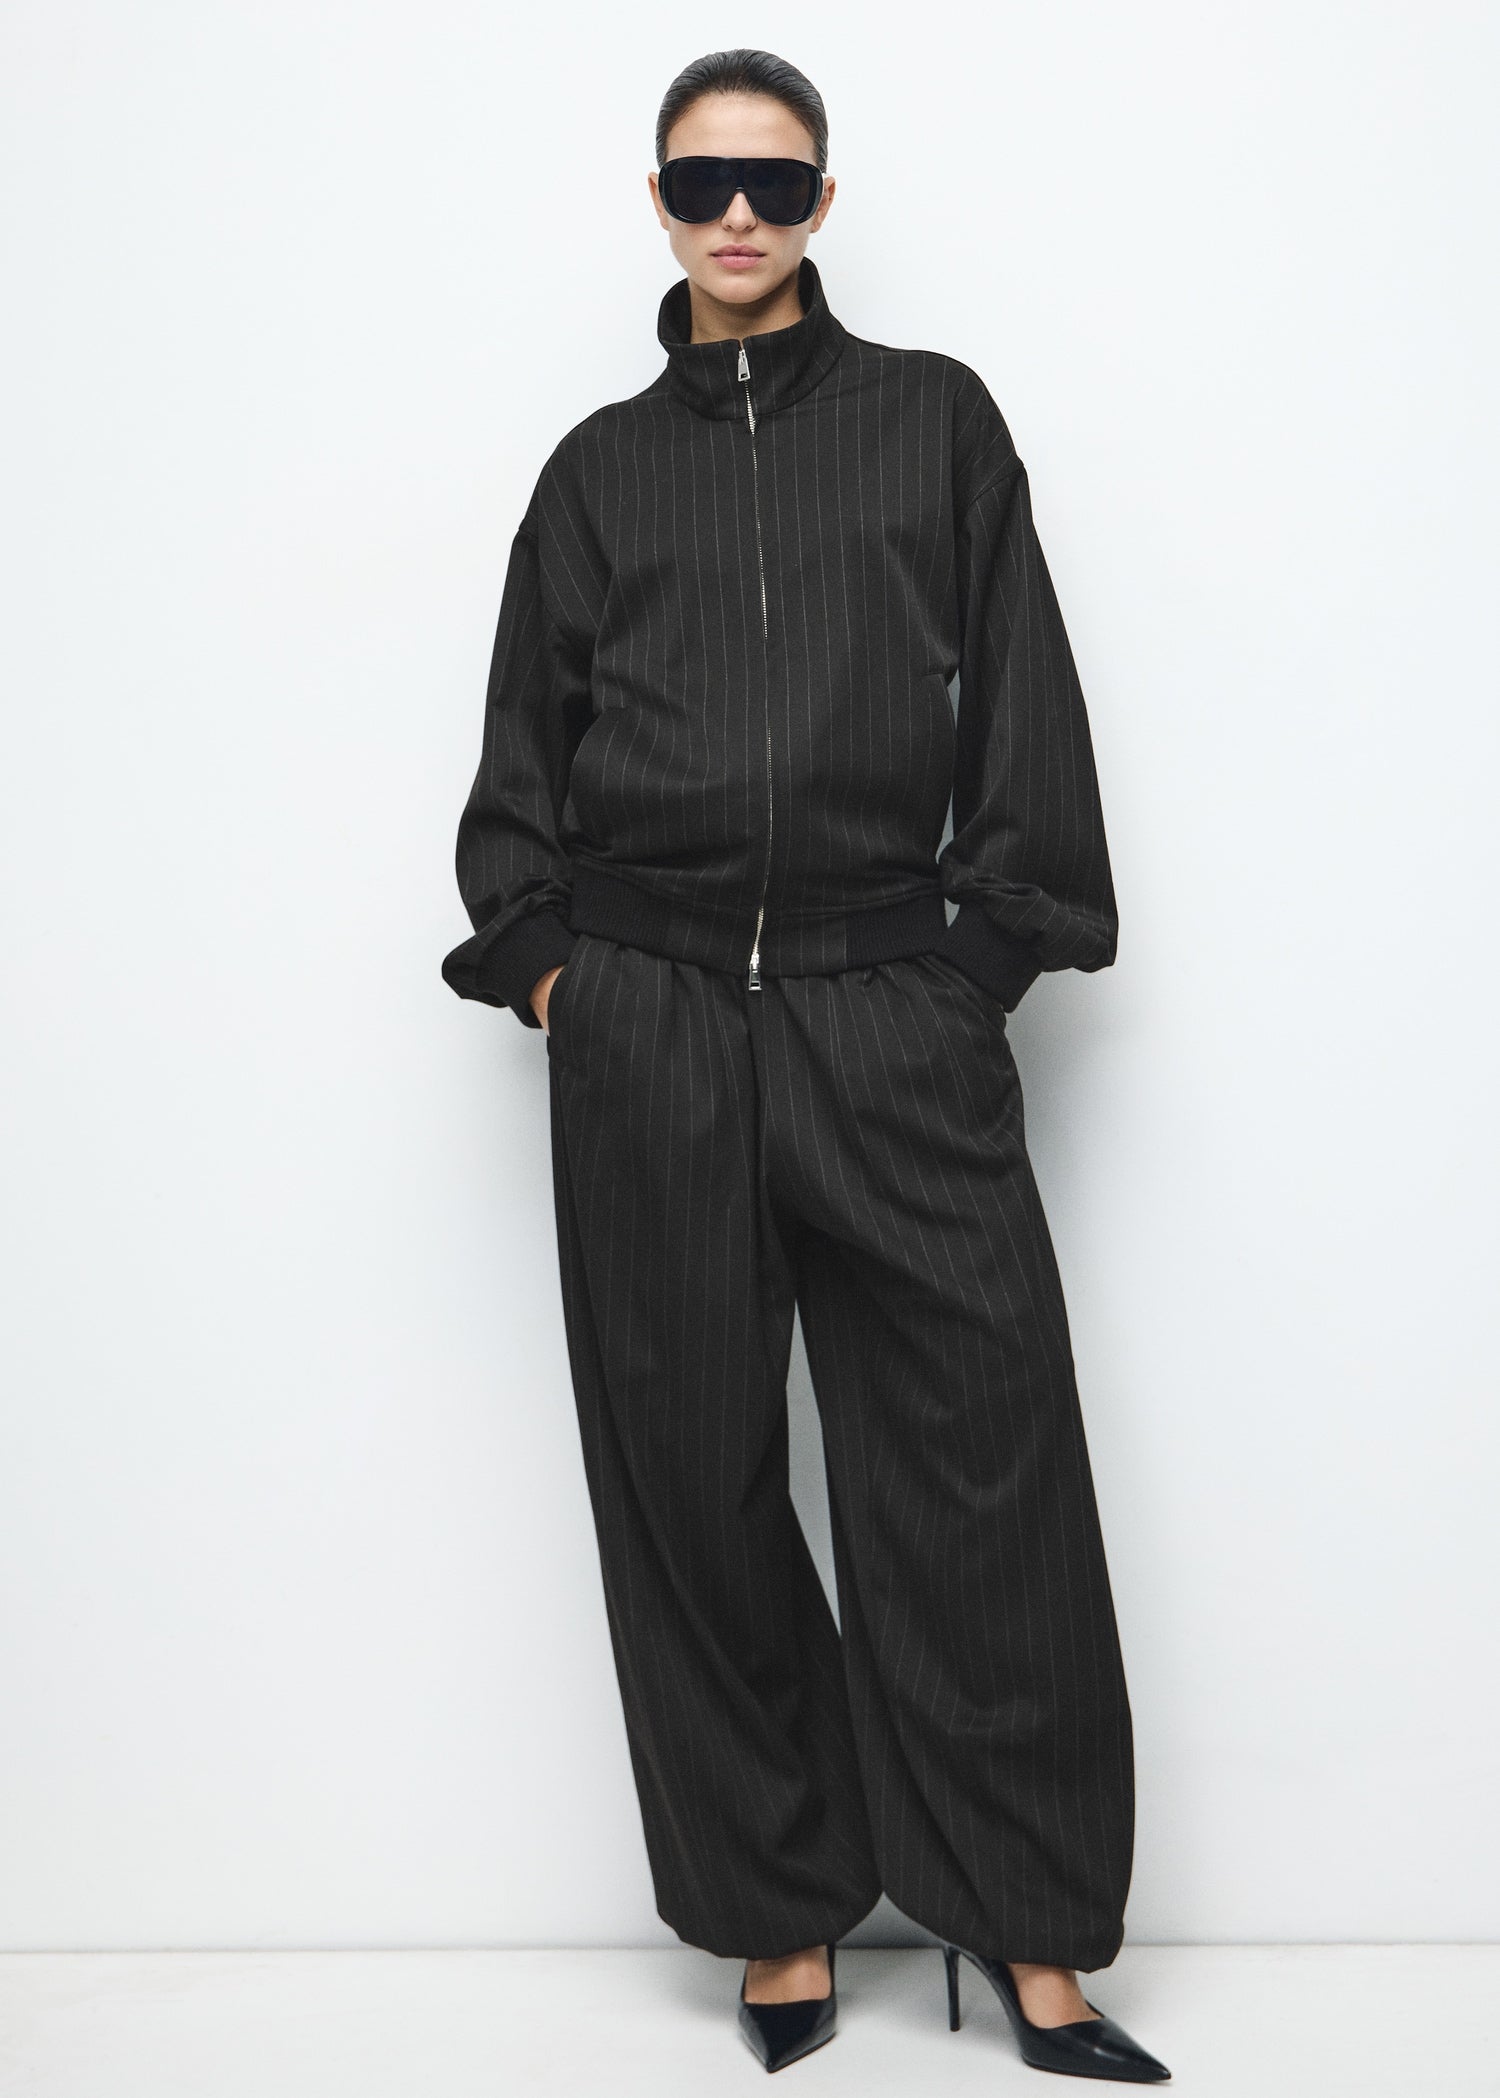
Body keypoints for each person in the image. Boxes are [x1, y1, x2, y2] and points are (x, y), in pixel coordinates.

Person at [442, 46, 1171, 2084]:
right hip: (655, 1021)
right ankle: (779, 1907)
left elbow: (1022, 702)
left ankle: (1031, 1928)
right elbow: (519, 765)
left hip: (885, 1011)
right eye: (701, 183)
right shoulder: (599, 473)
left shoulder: (934, 424)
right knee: (692, 1476)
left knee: (983, 1464)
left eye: (771, 183)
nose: (738, 216)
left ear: (824, 200)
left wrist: (978, 962)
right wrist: (562, 978)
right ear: (659, 201)